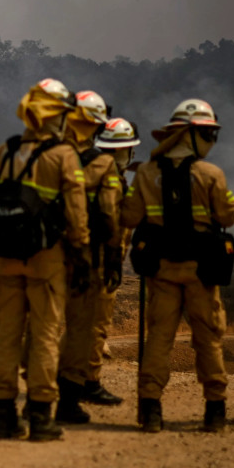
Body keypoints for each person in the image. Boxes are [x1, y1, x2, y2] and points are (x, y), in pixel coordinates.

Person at [0, 79, 88, 441]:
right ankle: (40, 415)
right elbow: (77, 215)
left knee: (7, 335)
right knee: (45, 336)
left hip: (4, 261)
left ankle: (4, 415)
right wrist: (81, 253)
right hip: (46, 260)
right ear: (57, 116)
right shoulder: (64, 156)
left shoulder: (2, 153)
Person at [121, 99, 234, 433]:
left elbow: (128, 217)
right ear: (192, 134)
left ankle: (151, 410)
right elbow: (229, 215)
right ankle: (215, 411)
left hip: (162, 270)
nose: (212, 140)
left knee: (159, 338)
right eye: (210, 133)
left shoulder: (146, 172)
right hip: (202, 271)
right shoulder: (211, 174)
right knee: (208, 339)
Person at [55, 92, 125, 424]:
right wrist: (113, 257)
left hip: (45, 255)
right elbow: (110, 215)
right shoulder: (102, 164)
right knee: (82, 329)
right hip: (86, 258)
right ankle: (68, 401)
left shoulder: (45, 155)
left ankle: (33, 402)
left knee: (41, 326)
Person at [83, 117, 141, 408]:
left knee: (73, 321)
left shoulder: (83, 169)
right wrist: (115, 259)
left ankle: (62, 376)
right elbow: (115, 221)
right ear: (126, 151)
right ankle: (89, 382)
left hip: (78, 260)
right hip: (103, 261)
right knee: (96, 324)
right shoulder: (112, 179)